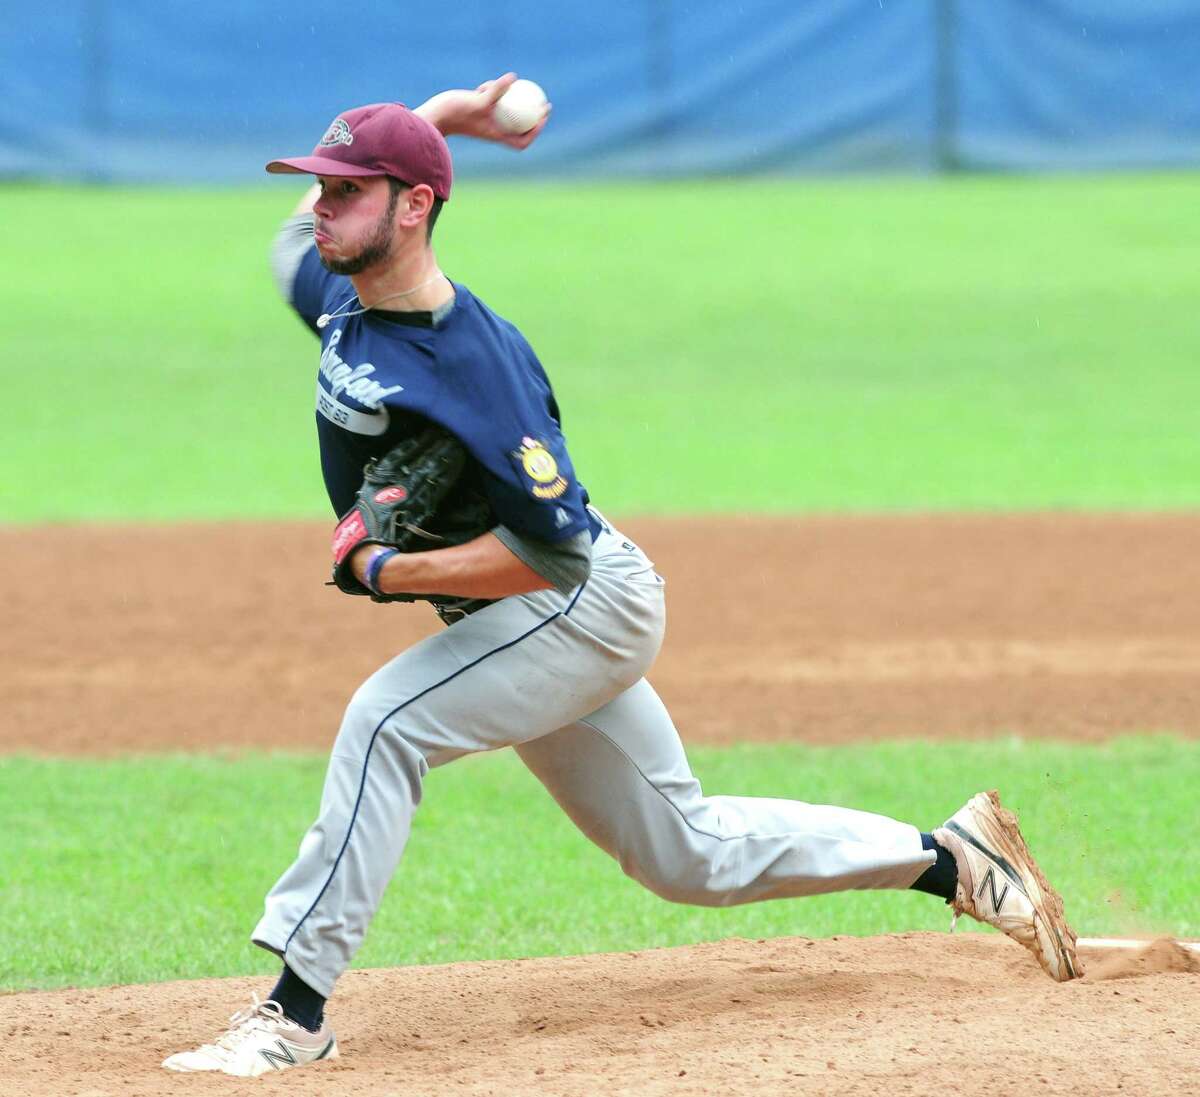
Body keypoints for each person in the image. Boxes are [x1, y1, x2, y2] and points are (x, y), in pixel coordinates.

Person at [163, 74, 1081, 1078]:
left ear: (414, 207)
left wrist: (394, 566)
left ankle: (295, 1011)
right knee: (687, 851)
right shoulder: (344, 295)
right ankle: (953, 856)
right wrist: (439, 118)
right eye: (325, 186)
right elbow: (288, 243)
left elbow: (552, 551)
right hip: (517, 619)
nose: (325, 208)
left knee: (387, 721)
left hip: (577, 603)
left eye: (349, 189)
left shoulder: (479, 367)